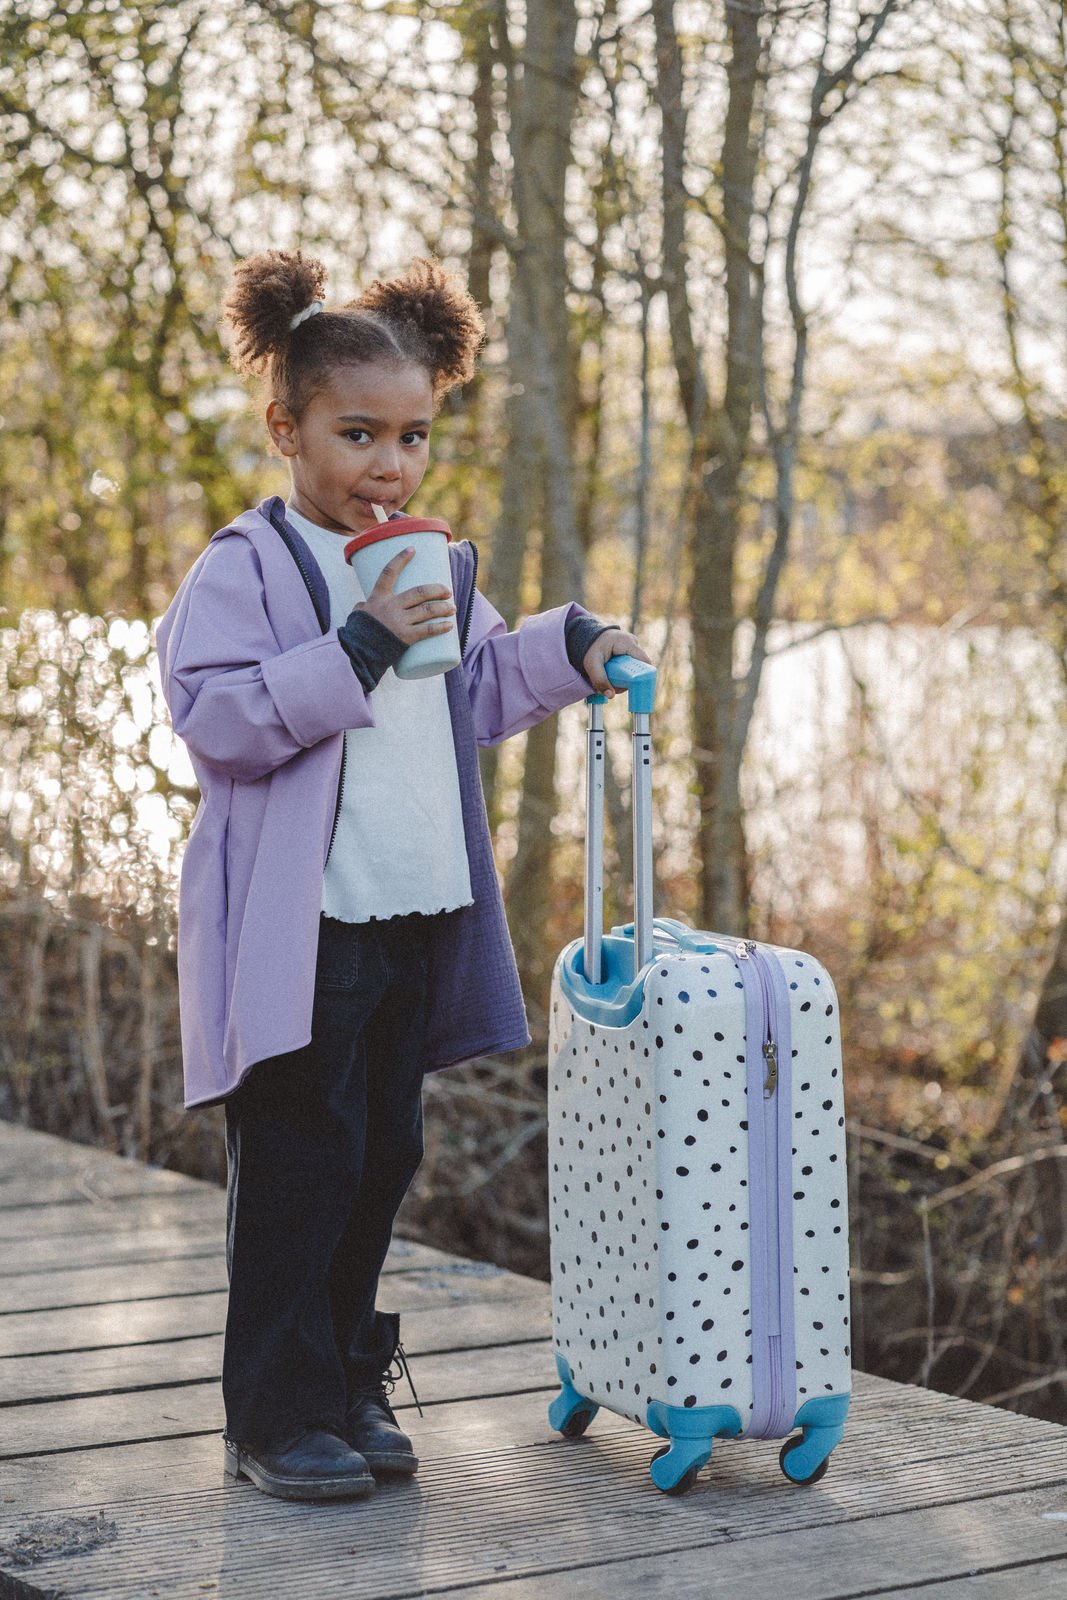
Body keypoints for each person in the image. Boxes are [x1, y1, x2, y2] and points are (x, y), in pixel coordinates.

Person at [156, 249, 652, 1503]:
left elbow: (475, 690)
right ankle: (274, 1414)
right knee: (297, 1167)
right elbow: (217, 720)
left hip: (410, 913)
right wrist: (358, 644)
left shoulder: (428, 562)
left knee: (379, 1157)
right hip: (302, 930)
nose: (389, 465)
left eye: (414, 436)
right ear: (287, 427)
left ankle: (347, 1380)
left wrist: (568, 641)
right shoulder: (249, 567)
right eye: (357, 433)